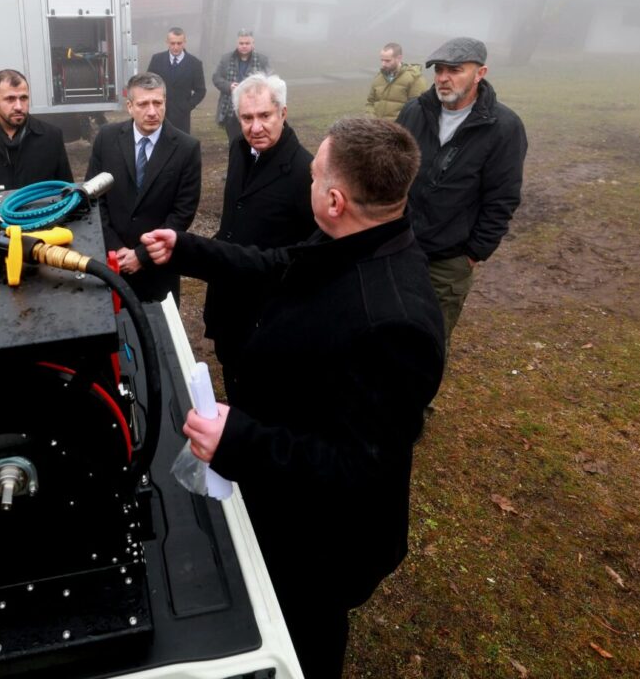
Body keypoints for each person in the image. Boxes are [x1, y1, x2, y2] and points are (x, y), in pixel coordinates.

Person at [140, 117, 445, 679]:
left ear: (333, 200)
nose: (306, 184)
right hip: (286, 500)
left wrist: (241, 441)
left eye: (312, 176)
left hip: (324, 542)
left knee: (305, 632)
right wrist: (186, 249)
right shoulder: (351, 239)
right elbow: (277, 266)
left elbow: (359, 468)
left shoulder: (394, 322)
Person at [396, 37, 527, 354]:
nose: (443, 77)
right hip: (398, 247)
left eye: (454, 69)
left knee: (428, 342)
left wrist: (473, 252)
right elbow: (392, 173)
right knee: (389, 325)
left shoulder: (504, 127)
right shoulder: (414, 112)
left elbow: (503, 198)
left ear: (480, 73)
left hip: (449, 260)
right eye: (439, 69)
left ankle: (419, 404)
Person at [205, 73, 315, 406]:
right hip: (229, 298)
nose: (255, 127)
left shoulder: (304, 172)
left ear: (283, 112)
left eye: (265, 116)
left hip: (270, 311)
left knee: (264, 395)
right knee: (232, 372)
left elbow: (312, 251)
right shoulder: (239, 151)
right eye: (247, 118)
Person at [85, 72, 200, 304]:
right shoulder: (106, 138)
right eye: (143, 104)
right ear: (129, 106)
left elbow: (182, 212)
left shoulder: (186, 148)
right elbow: (94, 199)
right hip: (111, 264)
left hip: (159, 268)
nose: (151, 111)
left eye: (158, 103)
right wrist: (116, 249)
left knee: (159, 335)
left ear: (165, 102)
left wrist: (141, 255)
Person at [212, 29, 270, 143]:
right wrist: (229, 86)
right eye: (241, 43)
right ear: (237, 44)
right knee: (234, 142)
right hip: (230, 110)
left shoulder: (262, 60)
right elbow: (216, 78)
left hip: (255, 108)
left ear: (253, 44)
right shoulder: (226, 59)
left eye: (247, 43)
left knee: (253, 141)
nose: (244, 46)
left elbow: (270, 81)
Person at [146, 27, 206, 134]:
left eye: (179, 43)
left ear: (184, 42)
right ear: (167, 42)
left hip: (182, 117)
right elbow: (148, 84)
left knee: (181, 146)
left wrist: (188, 106)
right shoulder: (157, 60)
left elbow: (201, 90)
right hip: (158, 113)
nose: (176, 47)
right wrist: (153, 104)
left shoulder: (195, 64)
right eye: (172, 43)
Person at [365, 42, 427, 120]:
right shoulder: (378, 78)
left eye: (387, 61)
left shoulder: (414, 78)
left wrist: (399, 128)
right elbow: (370, 102)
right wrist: (372, 121)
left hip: (399, 130)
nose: (383, 64)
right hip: (378, 129)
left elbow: (417, 110)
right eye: (382, 60)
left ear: (399, 58)